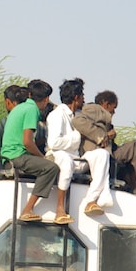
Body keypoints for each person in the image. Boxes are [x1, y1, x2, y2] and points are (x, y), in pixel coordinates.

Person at [73, 90, 136, 202]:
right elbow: (78, 121)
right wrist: (102, 136)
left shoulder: (101, 116)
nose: (114, 111)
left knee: (131, 157)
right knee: (135, 146)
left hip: (108, 152)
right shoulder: (94, 109)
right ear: (106, 104)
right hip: (99, 154)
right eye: (113, 108)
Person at [46, 78, 113, 217]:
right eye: (82, 95)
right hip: (58, 157)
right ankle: (60, 208)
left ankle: (91, 200)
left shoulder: (78, 115)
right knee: (65, 160)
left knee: (102, 154)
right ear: (76, 97)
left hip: (77, 159)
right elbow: (54, 143)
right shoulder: (56, 115)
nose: (84, 99)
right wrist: (78, 137)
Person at [0, 79, 64, 222]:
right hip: (16, 156)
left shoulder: (20, 107)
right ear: (46, 99)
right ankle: (28, 209)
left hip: (8, 155)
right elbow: (28, 142)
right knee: (51, 168)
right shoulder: (32, 110)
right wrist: (43, 157)